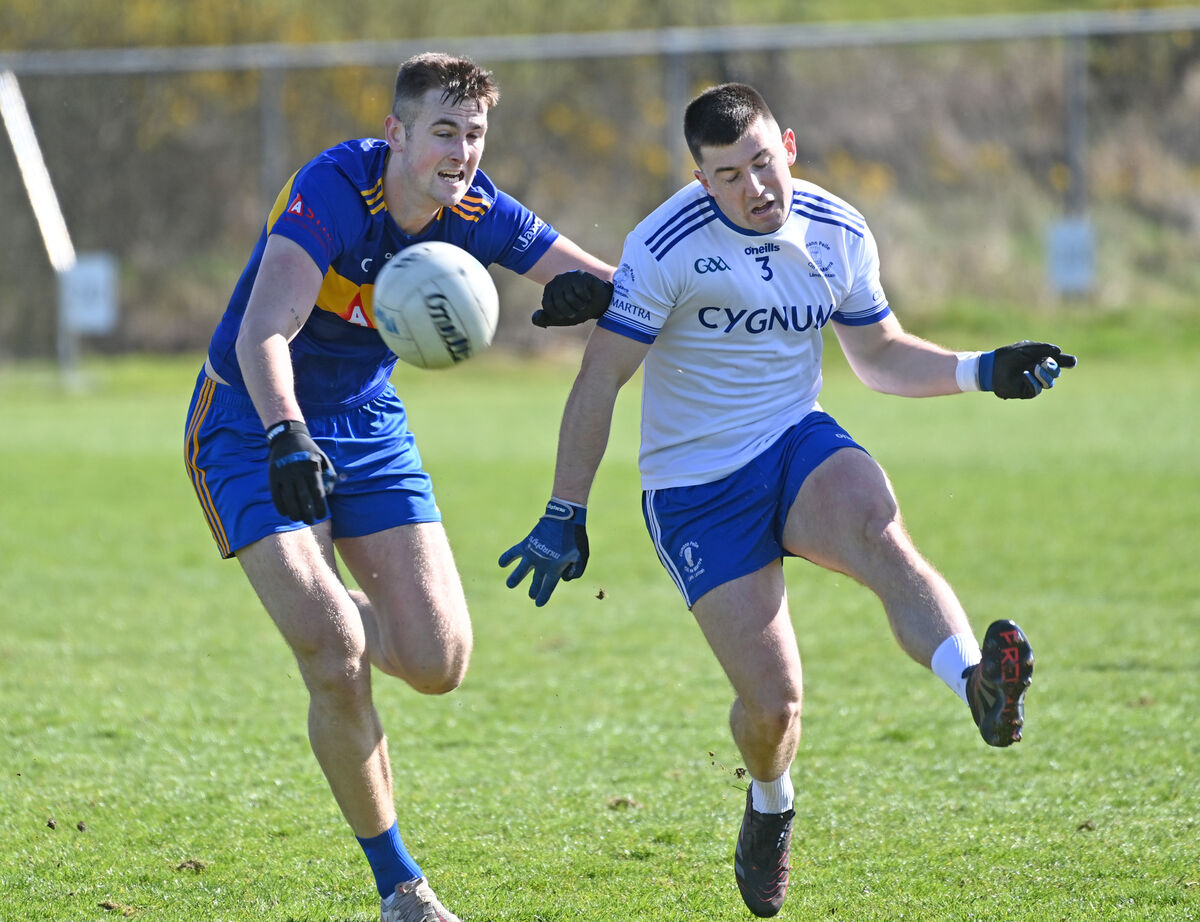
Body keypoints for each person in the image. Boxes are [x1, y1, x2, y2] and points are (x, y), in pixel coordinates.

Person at [499, 82, 1075, 918]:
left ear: (790, 146)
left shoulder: (836, 230)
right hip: (694, 487)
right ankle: (771, 807)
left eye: (763, 163)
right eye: (728, 175)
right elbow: (601, 379)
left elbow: (877, 356)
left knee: (880, 531)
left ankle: (979, 686)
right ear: (701, 181)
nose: (754, 188)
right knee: (775, 706)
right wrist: (565, 510)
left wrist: (981, 368)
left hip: (795, 441)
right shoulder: (664, 246)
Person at [183, 53, 613, 922]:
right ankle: (401, 887)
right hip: (251, 420)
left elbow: (609, 282)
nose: (461, 153)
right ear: (398, 134)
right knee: (336, 656)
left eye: (476, 135)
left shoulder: (477, 208)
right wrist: (285, 434)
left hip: (368, 424)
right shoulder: (336, 191)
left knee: (437, 661)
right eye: (444, 133)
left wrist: (592, 293)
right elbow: (264, 333)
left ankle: (324, 612)